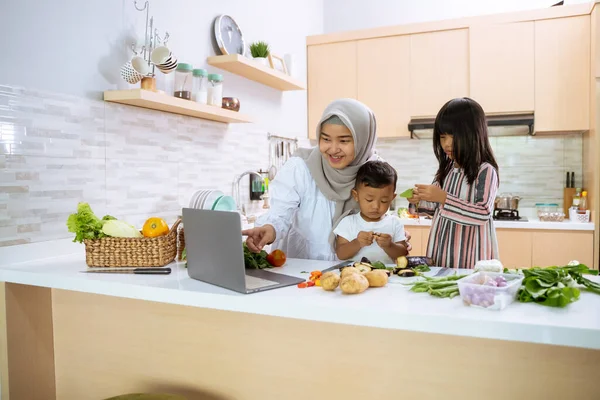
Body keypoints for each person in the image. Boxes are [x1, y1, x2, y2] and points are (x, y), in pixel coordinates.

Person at [243, 98, 408, 261]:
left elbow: (379, 215)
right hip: (302, 271)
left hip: (355, 276)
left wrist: (394, 238)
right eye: (326, 139)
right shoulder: (301, 167)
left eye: (344, 140)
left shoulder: (375, 170)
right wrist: (269, 229)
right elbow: (279, 214)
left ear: (363, 139)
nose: (333, 149)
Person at [408, 97, 499, 269]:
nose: (447, 144)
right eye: (442, 137)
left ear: (473, 135)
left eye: (454, 136)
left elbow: (482, 213)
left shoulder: (485, 171)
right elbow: (435, 210)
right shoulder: (446, 170)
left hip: (473, 259)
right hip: (440, 255)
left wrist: (443, 198)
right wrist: (418, 202)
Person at [334, 161, 408, 264]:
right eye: (369, 200)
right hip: (355, 276)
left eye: (384, 201)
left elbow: (403, 254)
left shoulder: (395, 223)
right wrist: (357, 243)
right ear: (356, 195)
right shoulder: (348, 222)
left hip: (386, 276)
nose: (376, 206)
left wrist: (389, 245)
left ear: (392, 198)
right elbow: (341, 254)